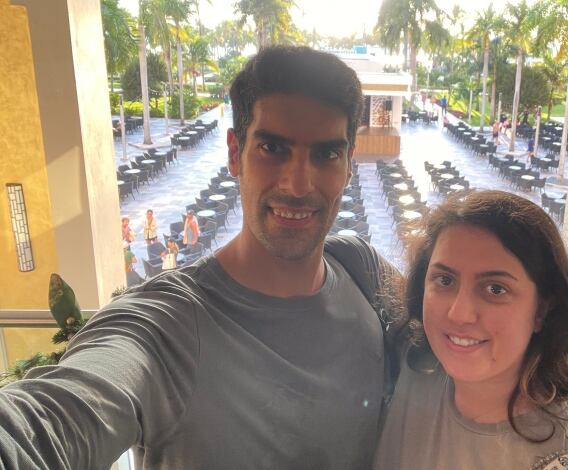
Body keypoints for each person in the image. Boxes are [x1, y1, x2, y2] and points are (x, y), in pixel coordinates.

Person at [0, 46, 402, 469]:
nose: (299, 184)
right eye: (272, 148)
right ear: (235, 153)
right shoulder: (166, 325)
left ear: (348, 165)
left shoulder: (361, 266)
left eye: (326, 154)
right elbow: (47, 421)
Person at [374, 190, 568, 469]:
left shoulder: (563, 460)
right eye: (445, 280)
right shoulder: (412, 364)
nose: (459, 313)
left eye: (495, 289)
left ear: (542, 310)